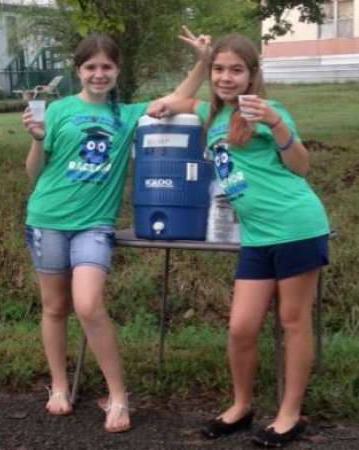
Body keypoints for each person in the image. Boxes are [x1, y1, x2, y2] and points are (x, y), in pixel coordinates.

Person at [22, 27, 211, 433]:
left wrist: (202, 61)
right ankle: (58, 387)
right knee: (55, 308)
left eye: (106, 66)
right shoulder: (56, 111)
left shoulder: (127, 115)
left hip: (93, 225)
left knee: (88, 304)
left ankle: (119, 396)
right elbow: (34, 173)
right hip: (46, 218)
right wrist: (38, 140)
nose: (98, 74)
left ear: (117, 70)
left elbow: (178, 96)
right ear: (79, 71)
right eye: (91, 66)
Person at [149, 33, 330, 447]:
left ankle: (290, 414)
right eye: (219, 70)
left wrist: (276, 123)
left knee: (293, 321)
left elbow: (301, 166)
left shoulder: (270, 111)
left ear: (252, 76)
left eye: (236, 70)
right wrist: (200, 60)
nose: (226, 78)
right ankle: (241, 406)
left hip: (297, 226)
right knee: (241, 328)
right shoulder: (210, 116)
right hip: (256, 237)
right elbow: (172, 101)